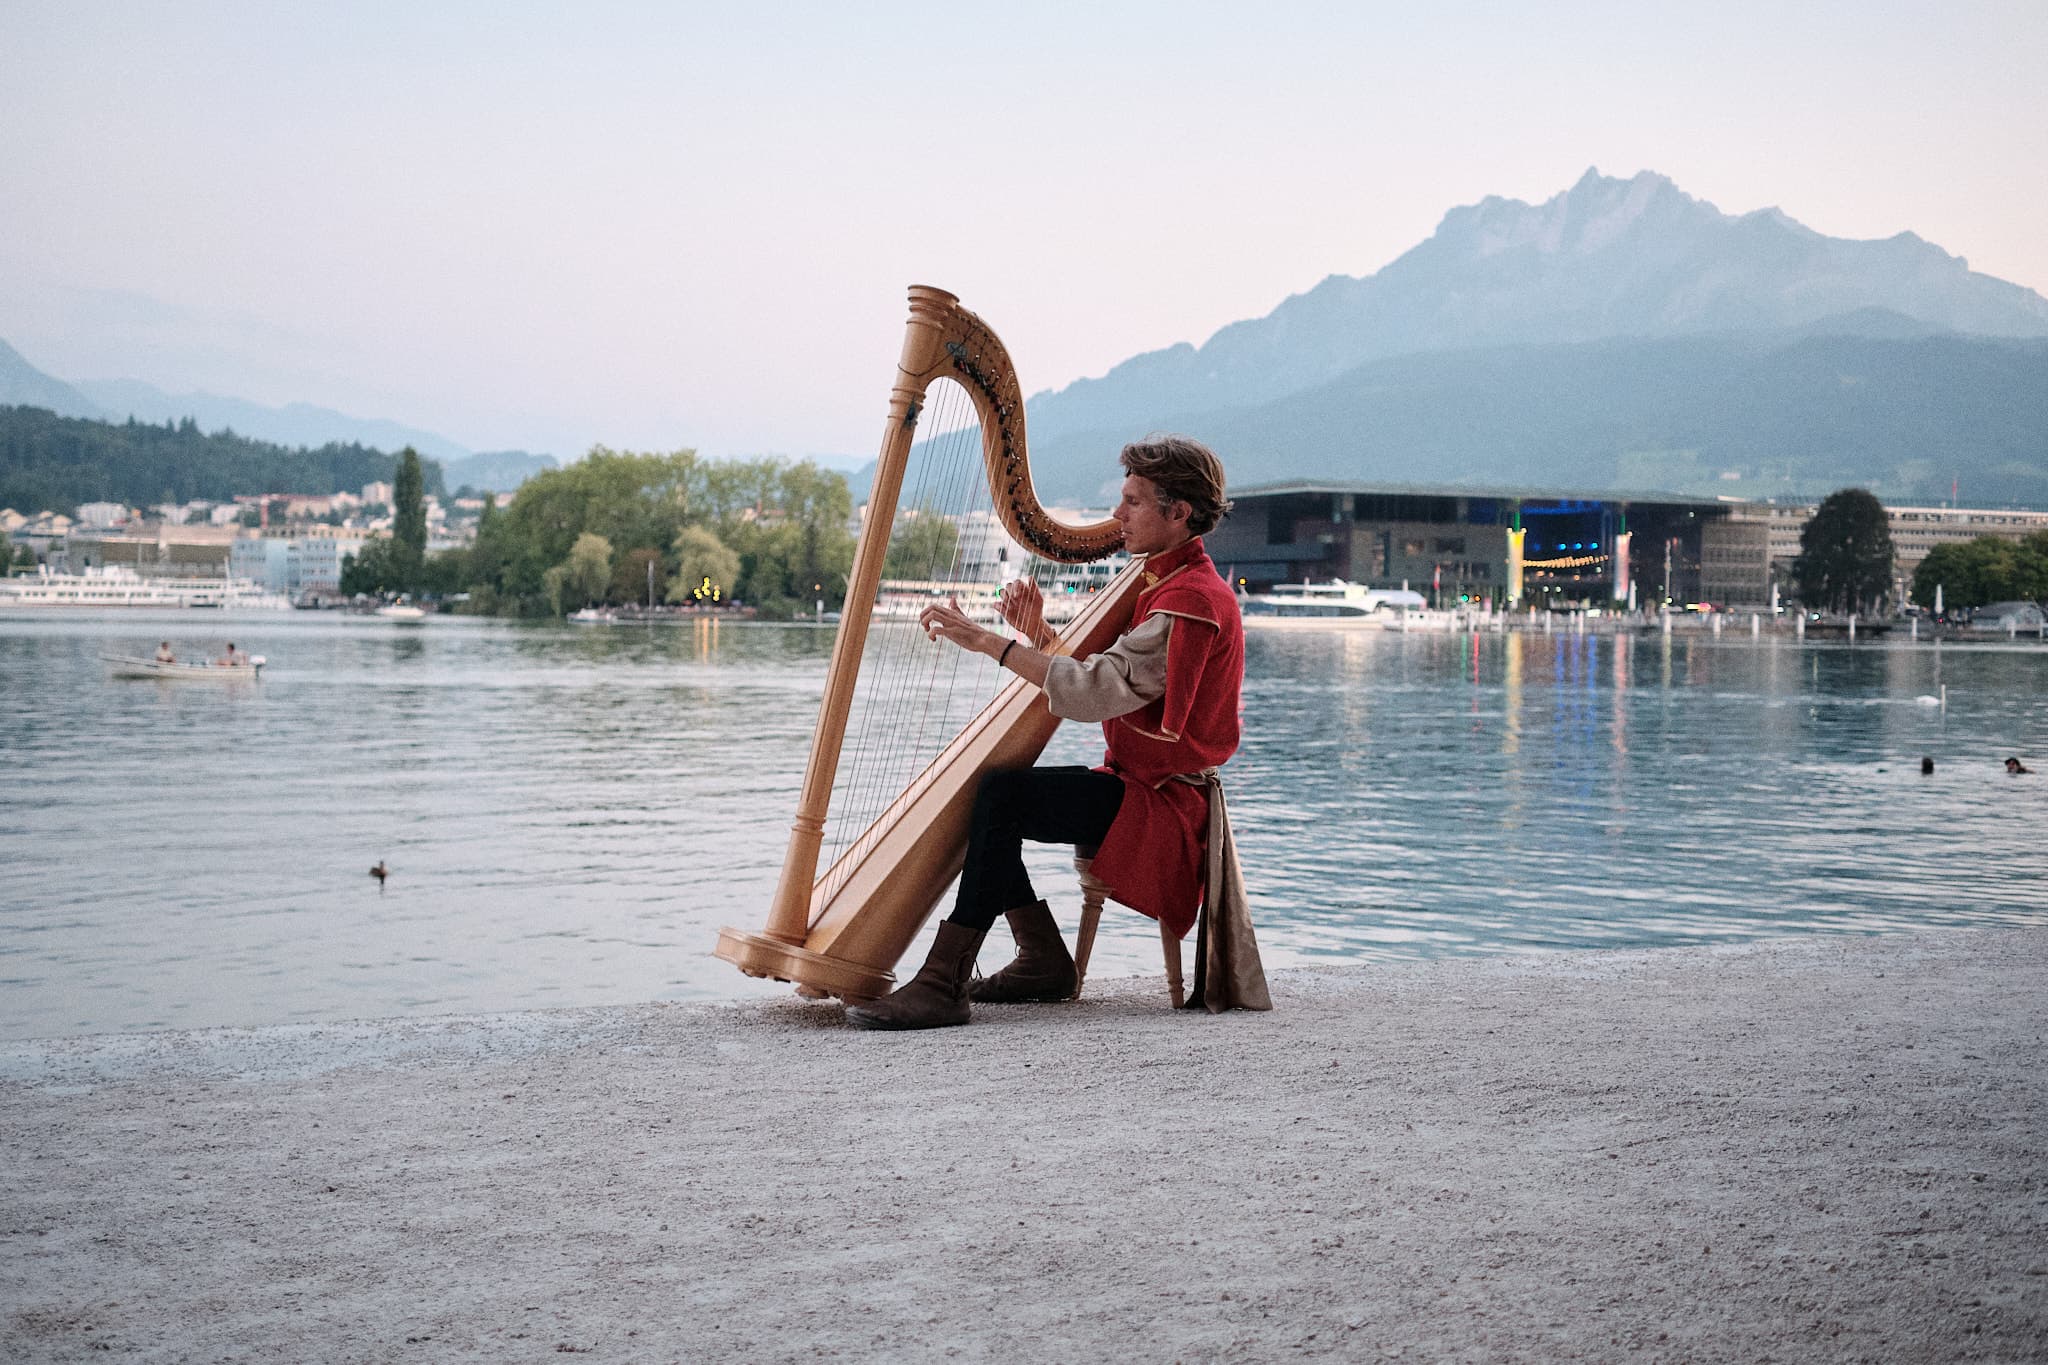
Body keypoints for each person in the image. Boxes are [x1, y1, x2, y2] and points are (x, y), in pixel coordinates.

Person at [846, 435, 1268, 1030]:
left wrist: (992, 643)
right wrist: (1038, 633)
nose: (1116, 516)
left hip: (1168, 810)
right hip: (1141, 787)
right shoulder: (1167, 585)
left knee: (1002, 796)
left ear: (1178, 514)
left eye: (1132, 502)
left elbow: (1094, 692)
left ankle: (949, 980)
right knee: (996, 795)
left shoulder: (1190, 603)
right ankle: (1039, 958)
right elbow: (1110, 681)